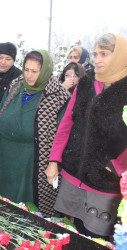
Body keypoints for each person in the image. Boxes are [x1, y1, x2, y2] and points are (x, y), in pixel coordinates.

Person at [46, 33, 127, 239]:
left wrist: (117, 166)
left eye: (105, 54)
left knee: (98, 238)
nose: (97, 59)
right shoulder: (87, 83)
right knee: (74, 231)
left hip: (105, 183)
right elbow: (66, 124)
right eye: (95, 54)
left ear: (119, 56)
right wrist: (54, 159)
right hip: (75, 173)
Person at [0, 50, 71, 218]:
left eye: (34, 71)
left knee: (25, 214)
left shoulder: (58, 97)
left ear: (46, 71)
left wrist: (54, 163)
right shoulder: (16, 85)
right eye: (26, 69)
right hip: (4, 160)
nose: (29, 75)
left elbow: (63, 136)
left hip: (31, 164)